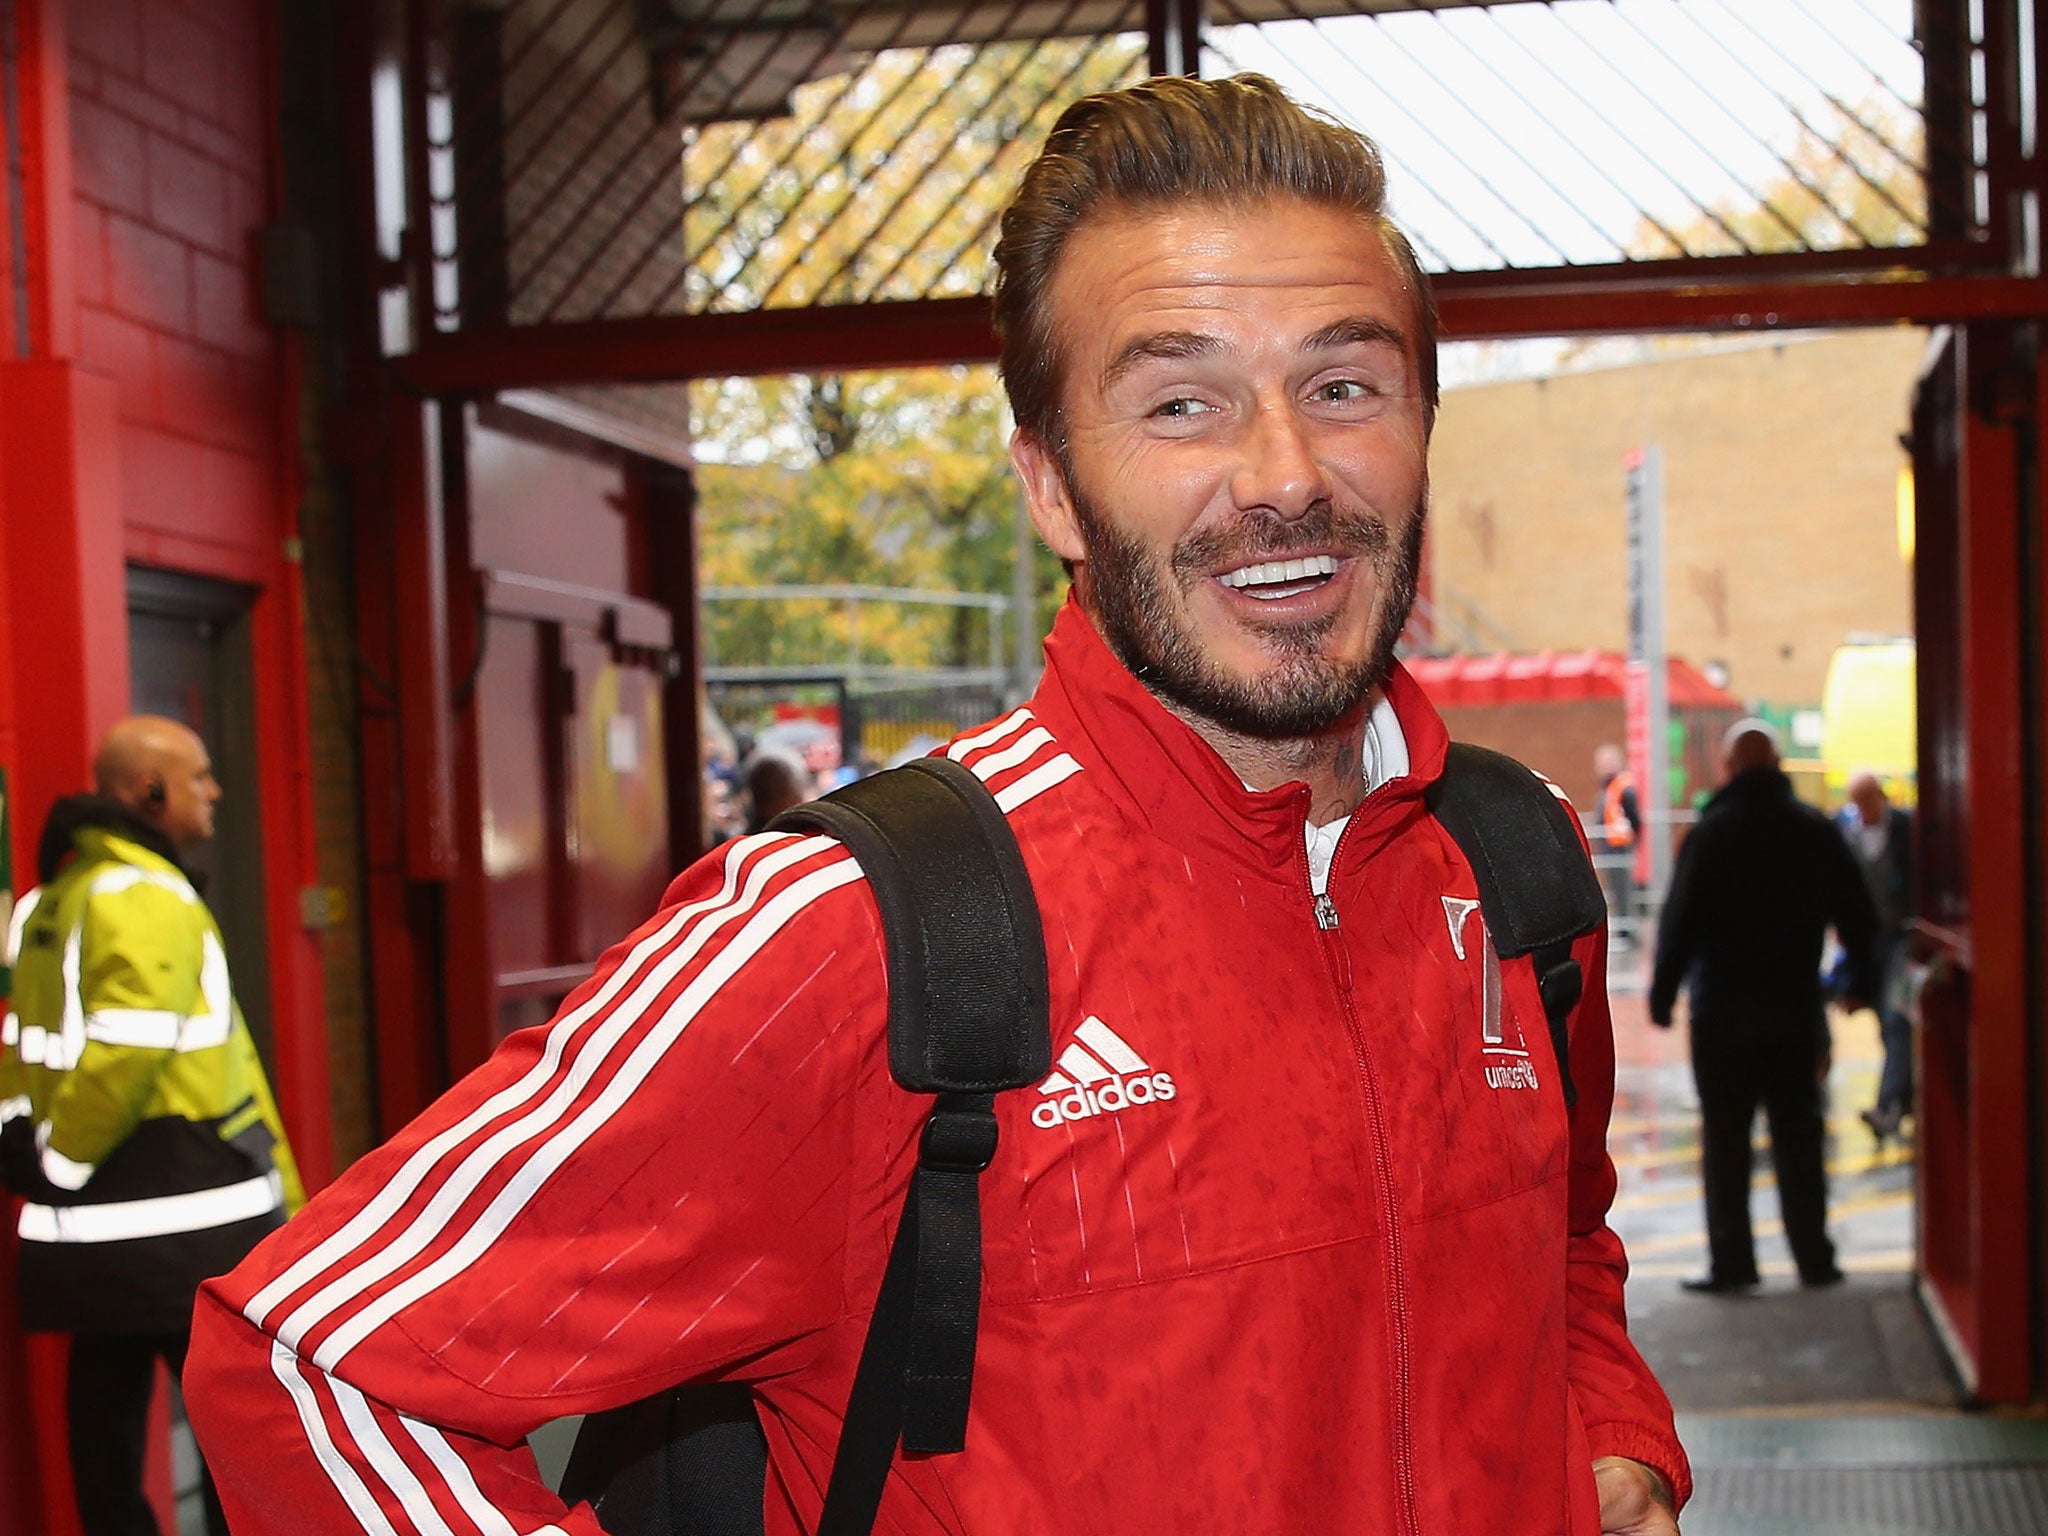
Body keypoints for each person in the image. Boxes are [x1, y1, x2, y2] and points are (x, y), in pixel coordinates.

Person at [185, 75, 1686, 1536]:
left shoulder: (1510, 867)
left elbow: (1561, 1248)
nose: (1285, 476)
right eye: (1182, 404)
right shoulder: (851, 938)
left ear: (1420, 422)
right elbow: (313, 1361)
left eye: (1343, 386)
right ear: (1049, 486)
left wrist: (1611, 1435)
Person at [0, 715, 303, 1536]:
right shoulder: (146, 893)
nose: (215, 792)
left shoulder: (48, 901)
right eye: (200, 775)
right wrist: (62, 1161)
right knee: (235, 1428)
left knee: (103, 1423)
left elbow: (23, 1047)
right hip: (192, 1214)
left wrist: (28, 1147)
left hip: (96, 1231)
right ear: (149, 790)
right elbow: (125, 1051)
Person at [1649, 719, 1879, 1294]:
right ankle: (1814, 1259)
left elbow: (1680, 923)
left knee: (1726, 1143)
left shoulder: (1713, 833)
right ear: (1777, 767)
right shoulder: (1813, 830)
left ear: (1729, 769)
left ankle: (1733, 1263)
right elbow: (1857, 915)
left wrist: (1662, 996)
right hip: (1795, 1012)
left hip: (1722, 1014)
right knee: (1799, 1137)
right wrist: (1862, 984)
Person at [1837, 771, 1914, 1142]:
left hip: (1902, 938)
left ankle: (1888, 1106)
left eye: (1868, 799)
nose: (1863, 809)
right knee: (1888, 1026)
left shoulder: (1905, 828)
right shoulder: (1847, 834)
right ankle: (1904, 1099)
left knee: (1895, 1018)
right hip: (1867, 942)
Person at [1595, 742, 1641, 938]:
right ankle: (1624, 929)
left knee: (1623, 890)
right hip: (1611, 846)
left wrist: (1634, 838)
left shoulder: (1622, 786)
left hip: (1619, 846)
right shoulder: (1609, 787)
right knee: (1616, 889)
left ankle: (1627, 930)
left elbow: (1634, 817)